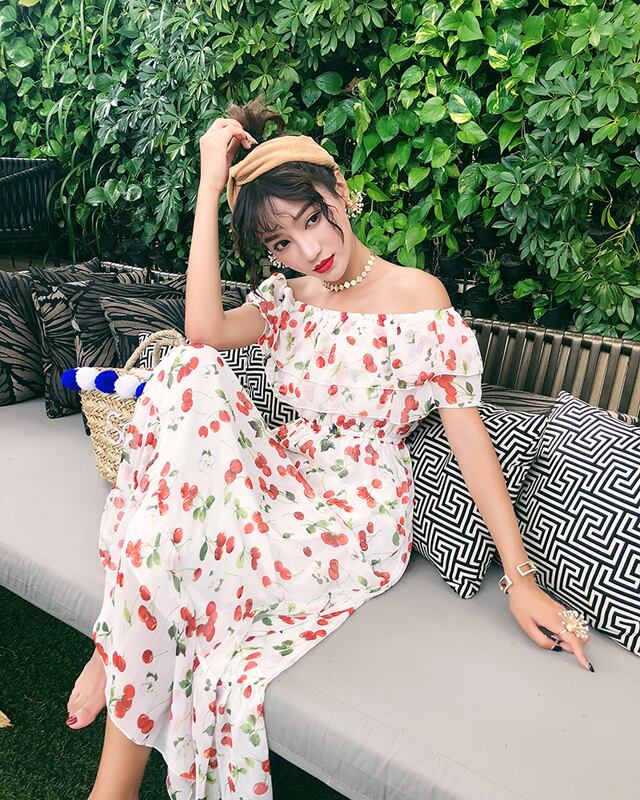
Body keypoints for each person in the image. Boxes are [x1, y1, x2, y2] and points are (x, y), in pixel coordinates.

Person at [66, 95, 593, 800]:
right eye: (282, 243)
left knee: (171, 548)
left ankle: (115, 660)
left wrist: (520, 578)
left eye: (311, 219)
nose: (309, 250)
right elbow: (201, 332)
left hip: (354, 507)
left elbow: (470, 442)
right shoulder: (291, 300)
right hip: (282, 475)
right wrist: (208, 185)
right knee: (187, 371)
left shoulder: (418, 298)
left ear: (339, 190)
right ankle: (118, 681)